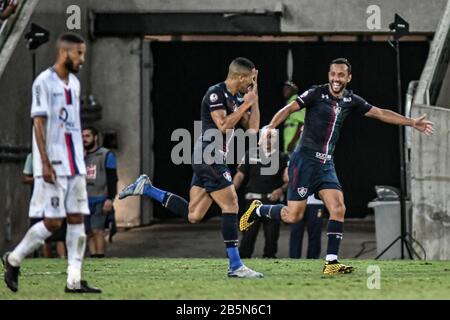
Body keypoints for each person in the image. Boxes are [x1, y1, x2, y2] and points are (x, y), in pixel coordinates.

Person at [240, 57, 434, 274]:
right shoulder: (316, 93)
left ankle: (331, 263)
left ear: (348, 77)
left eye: (341, 75)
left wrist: (412, 122)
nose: (336, 78)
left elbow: (380, 113)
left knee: (338, 208)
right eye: (333, 74)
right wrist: (270, 126)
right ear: (329, 76)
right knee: (293, 216)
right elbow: (289, 109)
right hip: (304, 161)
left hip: (326, 163)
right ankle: (258, 209)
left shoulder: (351, 100)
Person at [119, 57, 263, 278]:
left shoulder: (237, 98)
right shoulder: (216, 93)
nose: (249, 84)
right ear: (240, 76)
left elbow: (253, 129)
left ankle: (147, 189)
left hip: (213, 156)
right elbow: (223, 126)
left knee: (194, 214)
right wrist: (246, 103)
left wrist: (254, 98)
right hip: (209, 154)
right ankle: (235, 266)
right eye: (249, 80)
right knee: (231, 204)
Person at [2, 32, 101, 293]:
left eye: (83, 54)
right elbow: (38, 124)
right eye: (79, 54)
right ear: (65, 52)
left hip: (75, 162)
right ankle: (14, 258)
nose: (82, 59)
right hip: (54, 162)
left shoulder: (75, 83)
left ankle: (74, 279)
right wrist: (43, 163)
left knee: (77, 218)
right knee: (54, 222)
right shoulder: (43, 82)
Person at [234, 130, 289, 259]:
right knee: (247, 236)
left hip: (272, 202)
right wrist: (229, 192)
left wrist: (281, 190)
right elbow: (240, 175)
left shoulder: (283, 157)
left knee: (272, 237)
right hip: (252, 201)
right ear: (260, 138)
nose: (269, 139)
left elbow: (288, 180)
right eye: (267, 136)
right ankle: (241, 264)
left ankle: (270, 265)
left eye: (272, 137)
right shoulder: (250, 154)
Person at [23, 153, 67, 259]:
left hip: (57, 196)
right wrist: (39, 179)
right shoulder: (32, 156)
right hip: (40, 198)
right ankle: (46, 259)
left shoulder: (59, 152)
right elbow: (25, 177)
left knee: (59, 234)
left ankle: (62, 258)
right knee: (44, 235)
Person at [83, 126, 118, 258]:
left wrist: (110, 198)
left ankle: (100, 258)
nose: (84, 139)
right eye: (83, 136)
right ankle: (93, 258)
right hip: (85, 200)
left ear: (95, 137)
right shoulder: (80, 156)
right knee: (89, 232)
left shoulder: (106, 155)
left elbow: (112, 178)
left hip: (100, 198)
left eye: (87, 136)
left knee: (98, 230)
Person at [289, 194, 324, 259]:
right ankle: (293, 259)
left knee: (315, 233)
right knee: (295, 232)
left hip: (316, 202)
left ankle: (313, 260)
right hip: (297, 201)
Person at [282, 81, 305, 154]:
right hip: (289, 143)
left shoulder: (296, 102)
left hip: (296, 144)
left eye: (287, 88)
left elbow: (301, 124)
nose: (284, 90)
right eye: (284, 88)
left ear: (293, 90)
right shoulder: (289, 102)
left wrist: (293, 142)